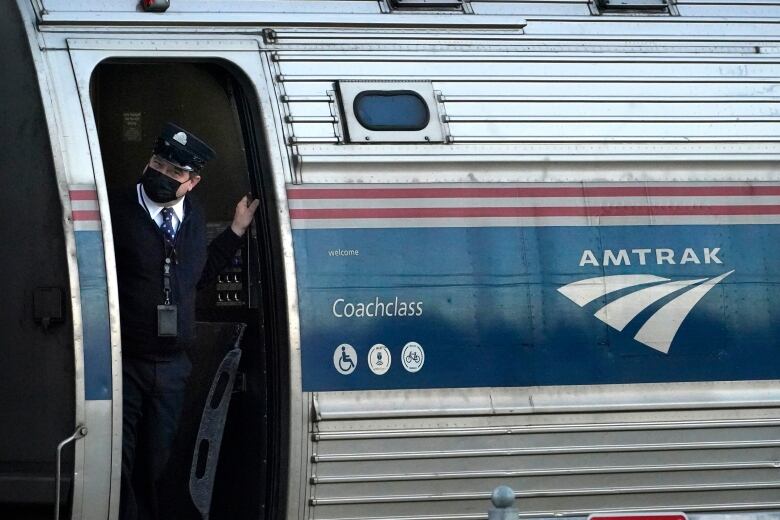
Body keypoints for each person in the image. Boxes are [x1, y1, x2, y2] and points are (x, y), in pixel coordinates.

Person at [109, 123, 259, 520]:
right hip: (125, 362)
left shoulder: (192, 218)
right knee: (117, 461)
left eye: (175, 172)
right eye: (158, 163)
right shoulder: (116, 211)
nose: (162, 173)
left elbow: (200, 274)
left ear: (192, 182)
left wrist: (236, 231)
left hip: (173, 365)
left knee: (159, 461)